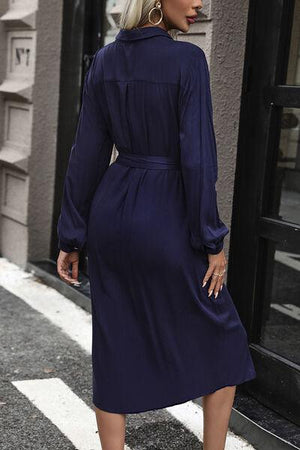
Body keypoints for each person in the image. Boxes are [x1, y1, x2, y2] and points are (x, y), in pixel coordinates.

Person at [56, 0, 257, 448]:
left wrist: (71, 235)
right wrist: (212, 240)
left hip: (113, 212)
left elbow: (85, 154)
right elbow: (198, 159)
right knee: (224, 340)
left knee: (115, 338)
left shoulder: (106, 59)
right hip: (167, 215)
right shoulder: (188, 59)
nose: (200, 3)